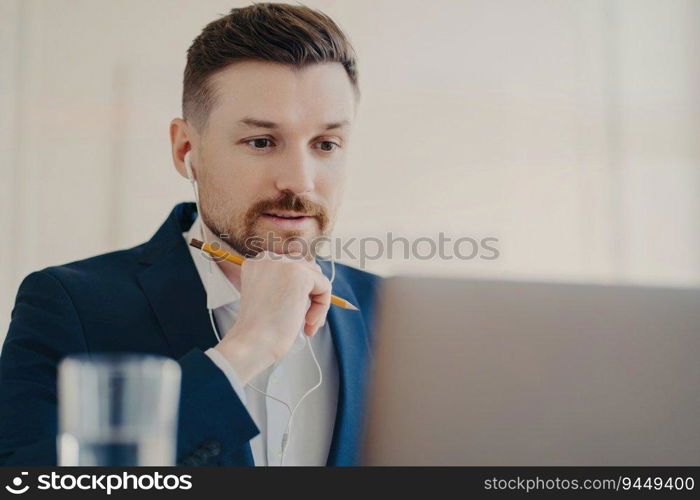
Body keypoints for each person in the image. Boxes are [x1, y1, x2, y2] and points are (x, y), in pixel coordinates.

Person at [0, 3, 380, 466]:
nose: (299, 180)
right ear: (185, 150)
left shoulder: (392, 316)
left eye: (326, 144)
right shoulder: (68, 304)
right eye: (261, 142)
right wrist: (245, 349)